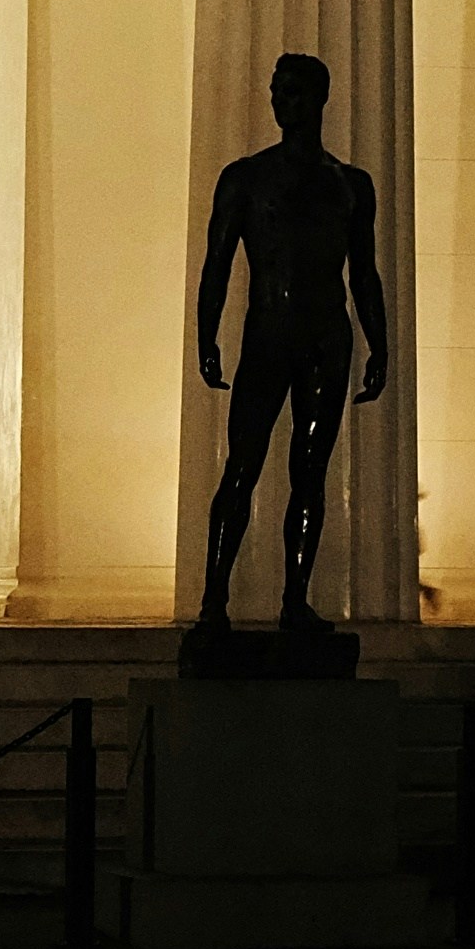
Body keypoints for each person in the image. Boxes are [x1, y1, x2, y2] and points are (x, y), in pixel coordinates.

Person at [193, 50, 392, 631]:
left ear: (320, 97)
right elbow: (217, 265)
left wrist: (378, 345)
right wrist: (206, 336)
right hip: (270, 333)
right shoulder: (246, 178)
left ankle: (294, 601)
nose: (282, 101)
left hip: (326, 339)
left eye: (294, 91)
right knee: (243, 465)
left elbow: (365, 273)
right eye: (277, 92)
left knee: (310, 471)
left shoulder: (351, 185)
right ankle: (214, 603)